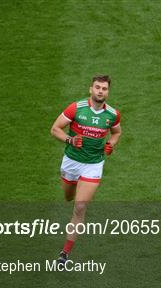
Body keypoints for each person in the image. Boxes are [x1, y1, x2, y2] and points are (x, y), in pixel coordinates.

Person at [50, 74, 122, 264]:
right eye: (97, 87)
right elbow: (55, 128)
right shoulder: (76, 108)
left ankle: (64, 254)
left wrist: (111, 144)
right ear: (91, 89)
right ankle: (73, 188)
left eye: (104, 88)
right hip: (72, 162)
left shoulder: (112, 115)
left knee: (80, 206)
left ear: (108, 92)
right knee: (68, 197)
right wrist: (70, 140)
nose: (100, 91)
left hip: (93, 164)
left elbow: (117, 132)